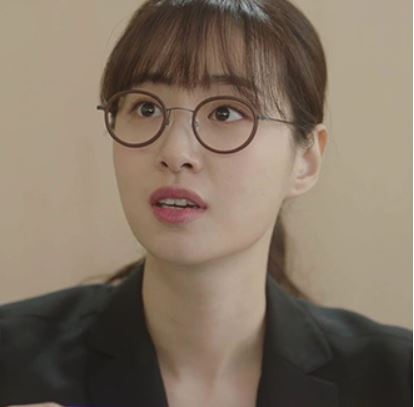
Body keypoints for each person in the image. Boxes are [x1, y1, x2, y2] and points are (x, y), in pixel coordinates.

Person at [0, 0, 411, 406]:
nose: (175, 152)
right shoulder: (11, 359)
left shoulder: (397, 378)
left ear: (306, 160)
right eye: (146, 108)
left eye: (226, 112)